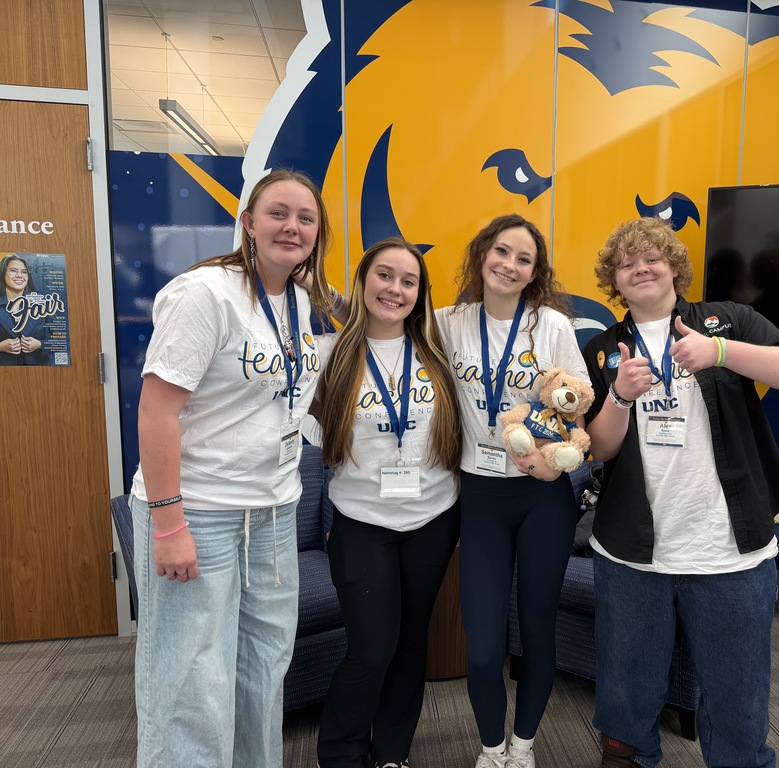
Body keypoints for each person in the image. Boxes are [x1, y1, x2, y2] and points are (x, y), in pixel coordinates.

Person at [581, 218, 779, 768]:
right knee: (626, 687)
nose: (640, 268)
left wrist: (720, 353)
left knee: (738, 696)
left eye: (651, 258)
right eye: (626, 263)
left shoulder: (726, 321)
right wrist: (618, 397)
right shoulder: (601, 350)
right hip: (631, 553)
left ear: (674, 267)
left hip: (730, 552)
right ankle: (628, 758)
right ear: (613, 282)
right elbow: (600, 450)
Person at [129, 169, 337, 768]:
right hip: (200, 511)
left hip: (272, 510)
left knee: (262, 666)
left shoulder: (297, 300)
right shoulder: (204, 294)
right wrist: (169, 525)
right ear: (248, 222)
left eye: (305, 218)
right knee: (192, 678)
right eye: (278, 213)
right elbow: (156, 410)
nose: (291, 227)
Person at [434, 214, 589, 768]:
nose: (510, 265)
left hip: (543, 493)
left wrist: (558, 466)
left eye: (524, 259)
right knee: (482, 646)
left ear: (534, 273)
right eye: (502, 251)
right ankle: (490, 748)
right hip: (480, 494)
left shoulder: (550, 326)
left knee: (537, 629)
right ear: (481, 255)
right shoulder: (447, 322)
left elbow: (577, 401)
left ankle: (522, 748)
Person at [314, 237, 462, 768]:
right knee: (371, 648)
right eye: (384, 275)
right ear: (362, 283)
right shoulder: (329, 356)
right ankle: (340, 754)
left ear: (420, 294)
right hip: (362, 521)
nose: (395, 289)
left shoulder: (438, 352)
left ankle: (392, 753)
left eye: (408, 280)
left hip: (433, 518)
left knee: (410, 643)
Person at [0, 254, 47, 365]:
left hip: (41, 371)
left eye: (24, 272)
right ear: (3, 274)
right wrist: (0, 347)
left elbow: (63, 342)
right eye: (13, 271)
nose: (20, 275)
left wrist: (40, 344)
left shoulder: (43, 302)